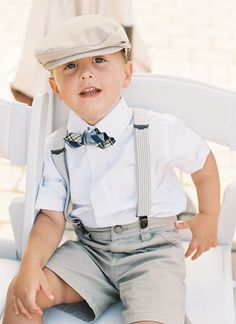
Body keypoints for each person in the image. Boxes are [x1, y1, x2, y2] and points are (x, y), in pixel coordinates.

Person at [3, 15, 220, 324]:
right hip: (91, 251)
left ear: (127, 74)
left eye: (100, 60)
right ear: (55, 87)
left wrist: (209, 216)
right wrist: (30, 265)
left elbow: (202, 163)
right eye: (70, 66)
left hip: (152, 253)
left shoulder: (157, 129)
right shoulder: (57, 147)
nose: (86, 73)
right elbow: (51, 217)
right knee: (23, 297)